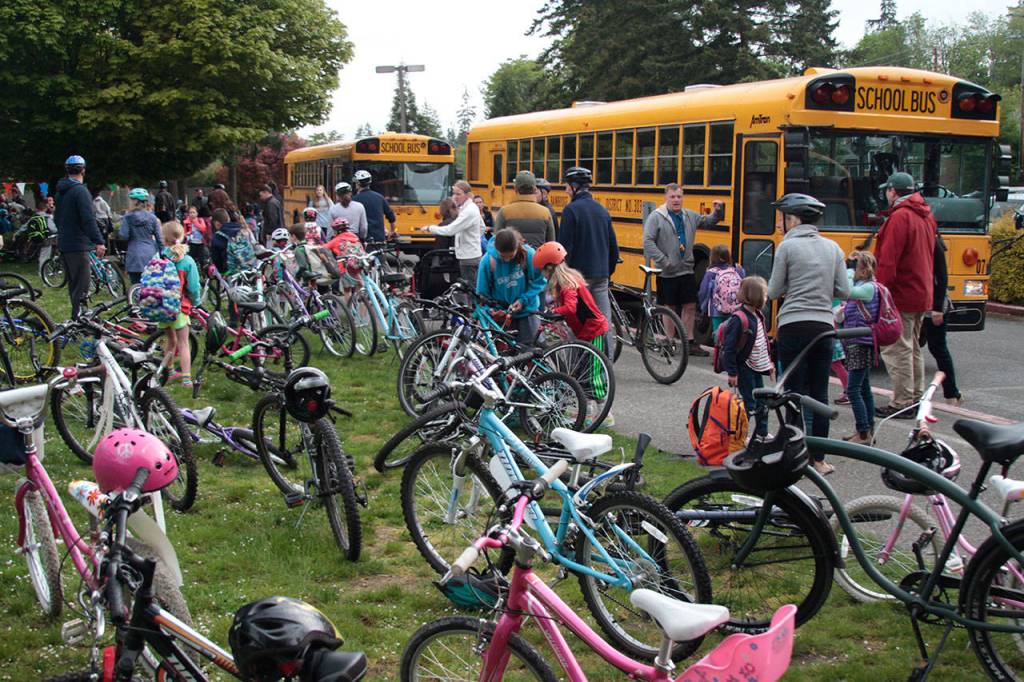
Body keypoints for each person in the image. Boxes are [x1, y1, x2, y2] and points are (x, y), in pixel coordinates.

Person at [767, 193, 849, 476]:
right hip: (823, 328)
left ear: (793, 219)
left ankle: (794, 454)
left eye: (783, 218)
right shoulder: (833, 248)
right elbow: (844, 290)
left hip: (793, 325)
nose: (781, 224)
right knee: (819, 394)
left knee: (793, 394)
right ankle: (819, 459)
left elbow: (774, 291)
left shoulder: (787, 247)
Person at [873, 172, 936, 418]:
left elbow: (889, 260)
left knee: (896, 349)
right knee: (913, 348)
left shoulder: (900, 217)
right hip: (921, 291)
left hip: (901, 293)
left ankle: (902, 401)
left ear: (893, 191)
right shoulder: (926, 214)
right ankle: (916, 397)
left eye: (887, 190)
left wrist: (879, 291)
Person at [534, 240, 614, 426]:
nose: (543, 275)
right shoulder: (565, 282)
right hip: (584, 334)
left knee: (594, 375)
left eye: (543, 271)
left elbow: (570, 307)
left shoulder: (568, 284)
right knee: (582, 373)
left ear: (550, 268)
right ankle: (586, 412)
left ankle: (606, 414)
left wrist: (553, 313)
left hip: (595, 332)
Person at [642, 183, 725, 356]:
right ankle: (668, 341)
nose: (676, 200)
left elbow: (708, 222)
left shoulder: (689, 216)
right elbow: (648, 241)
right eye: (672, 197)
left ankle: (689, 342)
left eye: (679, 196)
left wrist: (718, 212)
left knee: (690, 305)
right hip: (667, 271)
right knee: (669, 307)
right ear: (666, 198)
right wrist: (663, 261)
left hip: (686, 270)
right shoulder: (657, 217)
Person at [557, 167, 619, 356]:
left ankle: (575, 365)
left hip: (577, 279)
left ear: (574, 187)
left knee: (576, 323)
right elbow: (613, 248)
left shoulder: (571, 210)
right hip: (600, 275)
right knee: (603, 321)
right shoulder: (602, 210)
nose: (566, 190)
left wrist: (563, 278)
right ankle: (606, 362)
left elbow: (564, 249)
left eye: (567, 186)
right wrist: (606, 272)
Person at [838, 251, 883, 444]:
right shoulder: (863, 287)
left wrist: (848, 270)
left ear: (863, 270)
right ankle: (866, 429)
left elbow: (846, 291)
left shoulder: (869, 288)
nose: (851, 272)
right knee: (864, 388)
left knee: (853, 390)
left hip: (861, 344)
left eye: (855, 268)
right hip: (856, 342)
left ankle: (863, 432)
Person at [720, 276, 772, 438]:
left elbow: (762, 342)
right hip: (745, 367)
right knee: (749, 403)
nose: (766, 298)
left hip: (757, 366)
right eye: (764, 295)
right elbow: (729, 348)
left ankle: (762, 433)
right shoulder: (739, 319)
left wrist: (768, 363)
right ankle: (741, 435)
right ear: (755, 296)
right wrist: (732, 372)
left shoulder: (757, 315)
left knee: (762, 401)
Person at [54, 155, 106, 319]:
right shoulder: (80, 191)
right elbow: (88, 219)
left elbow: (57, 218)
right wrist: (98, 241)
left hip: (65, 243)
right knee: (82, 286)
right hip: (78, 244)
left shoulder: (60, 192)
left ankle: (79, 316)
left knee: (74, 284)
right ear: (83, 170)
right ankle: (79, 320)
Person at [477, 228, 546, 346]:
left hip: (527, 312)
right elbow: (482, 293)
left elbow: (539, 281)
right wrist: (490, 310)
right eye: (503, 257)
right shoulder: (487, 261)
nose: (507, 260)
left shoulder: (528, 254)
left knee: (533, 350)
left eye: (511, 256)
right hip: (502, 317)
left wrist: (523, 300)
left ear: (517, 247)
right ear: (497, 250)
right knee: (505, 353)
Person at [158, 221, 201, 388]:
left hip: (162, 306)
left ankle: (167, 372)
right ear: (182, 236)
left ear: (164, 239)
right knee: (183, 343)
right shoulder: (187, 261)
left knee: (170, 340)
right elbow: (194, 287)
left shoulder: (160, 257)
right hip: (180, 307)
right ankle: (186, 379)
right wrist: (196, 302)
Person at [418, 180, 483, 285]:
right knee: (473, 286)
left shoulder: (468, 211)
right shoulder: (471, 207)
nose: (455, 197)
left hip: (468, 258)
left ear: (467, 195)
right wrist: (472, 240)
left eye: (458, 194)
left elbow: (450, 230)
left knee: (470, 289)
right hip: (472, 255)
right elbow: (482, 227)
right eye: (454, 193)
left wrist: (430, 228)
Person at [924, 234, 963, 406]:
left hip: (934, 305)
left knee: (937, 347)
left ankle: (952, 394)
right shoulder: (924, 240)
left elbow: (942, 278)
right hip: (921, 303)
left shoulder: (933, 243)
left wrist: (937, 308)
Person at [494, 171, 555, 249]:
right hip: (537, 256)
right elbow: (551, 244)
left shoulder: (504, 212)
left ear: (515, 189)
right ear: (535, 189)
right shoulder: (545, 212)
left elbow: (496, 242)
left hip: (511, 256)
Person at [697, 244, 745, 336]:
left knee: (718, 333)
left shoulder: (710, 273)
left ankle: (719, 344)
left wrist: (702, 308)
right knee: (733, 333)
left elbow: (703, 292)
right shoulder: (737, 271)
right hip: (736, 309)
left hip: (717, 311)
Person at [118, 188, 163, 284]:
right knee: (150, 286)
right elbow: (160, 239)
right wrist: (163, 256)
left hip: (134, 255)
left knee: (136, 285)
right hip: (150, 255)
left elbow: (123, 236)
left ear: (135, 201)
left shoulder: (128, 217)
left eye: (130, 200)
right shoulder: (153, 218)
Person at [351, 169, 395, 242]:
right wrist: (392, 231)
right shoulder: (379, 197)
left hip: (362, 240)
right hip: (379, 238)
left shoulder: (354, 200)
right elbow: (391, 216)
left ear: (357, 184)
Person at [210, 207, 242, 275]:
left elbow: (216, 259)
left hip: (230, 271)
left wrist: (223, 272)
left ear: (216, 223)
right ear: (228, 219)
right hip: (247, 266)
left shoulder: (217, 236)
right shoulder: (240, 229)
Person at [182, 204, 210, 273]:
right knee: (191, 259)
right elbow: (185, 232)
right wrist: (187, 235)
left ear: (197, 213)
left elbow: (203, 229)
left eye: (193, 212)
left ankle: (203, 273)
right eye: (190, 213)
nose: (192, 214)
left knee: (202, 260)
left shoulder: (200, 220)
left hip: (200, 243)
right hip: (191, 243)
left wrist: (195, 222)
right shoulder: (186, 222)